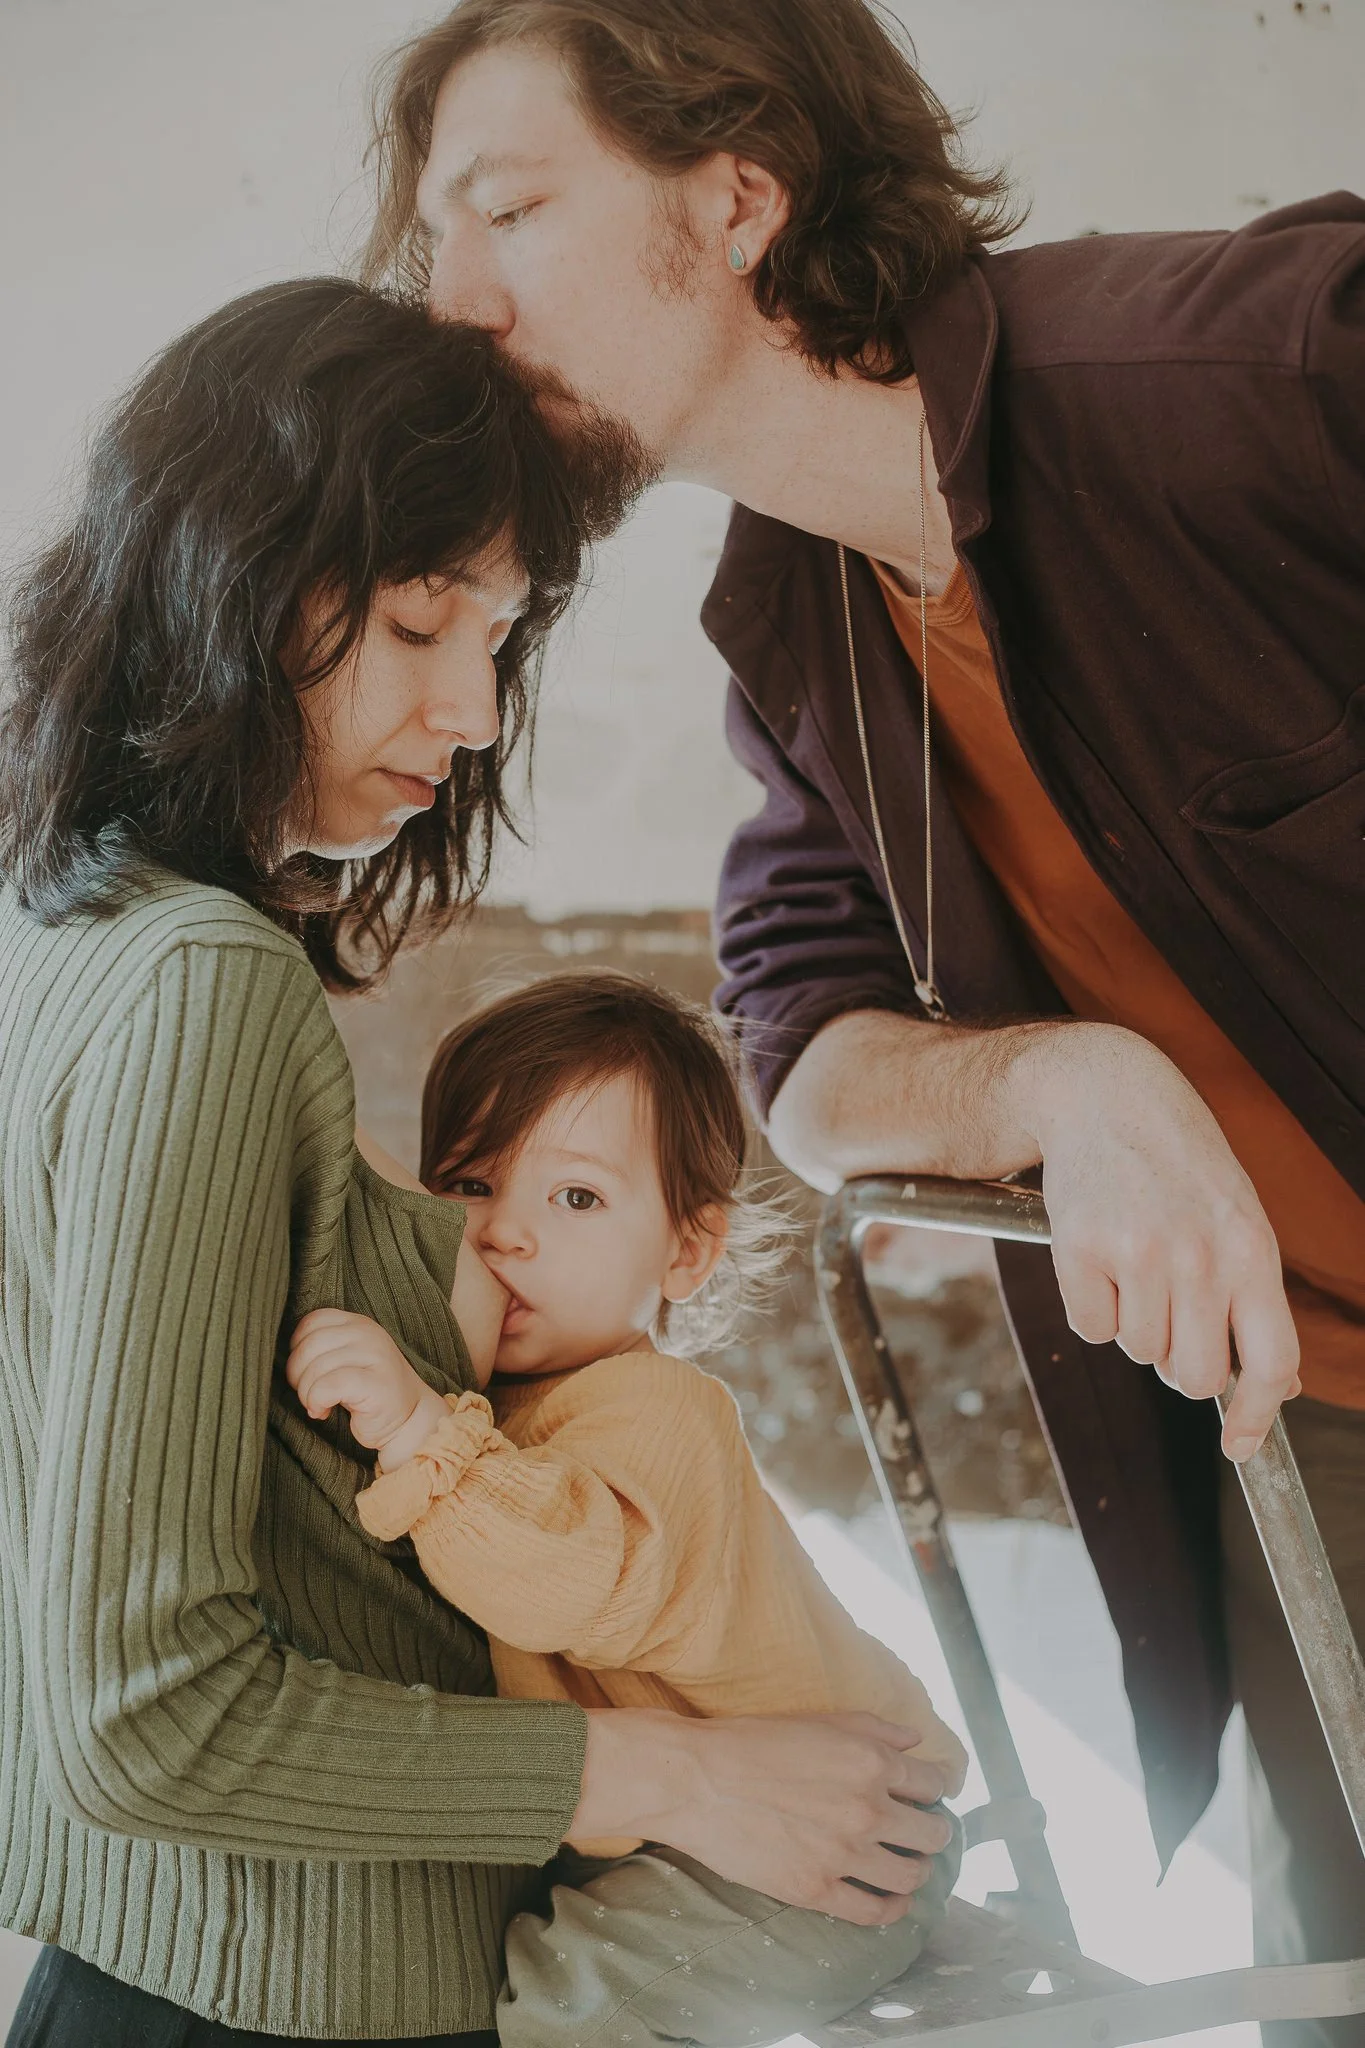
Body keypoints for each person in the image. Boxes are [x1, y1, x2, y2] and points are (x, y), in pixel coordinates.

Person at [363, 2, 1365, 2036]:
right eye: (428, 237)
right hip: (1305, 1438)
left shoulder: (1255, 367)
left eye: (508, 208)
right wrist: (1073, 1081)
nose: (450, 300)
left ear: (735, 195)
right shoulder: (794, 620)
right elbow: (796, 1041)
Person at [0, 277, 953, 2048]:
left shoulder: (72, 929)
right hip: (288, 1991)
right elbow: (143, 1713)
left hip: (192, 1963)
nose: (477, 715)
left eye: (499, 642)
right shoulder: (200, 983)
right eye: (426, 625)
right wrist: (675, 1776)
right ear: (232, 578)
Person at [285, 969, 966, 2048]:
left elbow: (562, 1575)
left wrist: (418, 1432)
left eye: (576, 1197)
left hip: (848, 1840)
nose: (505, 1232)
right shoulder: (500, 1402)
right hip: (696, 1832)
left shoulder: (659, 1415)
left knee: (577, 2000)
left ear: (687, 1251)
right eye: (468, 1183)